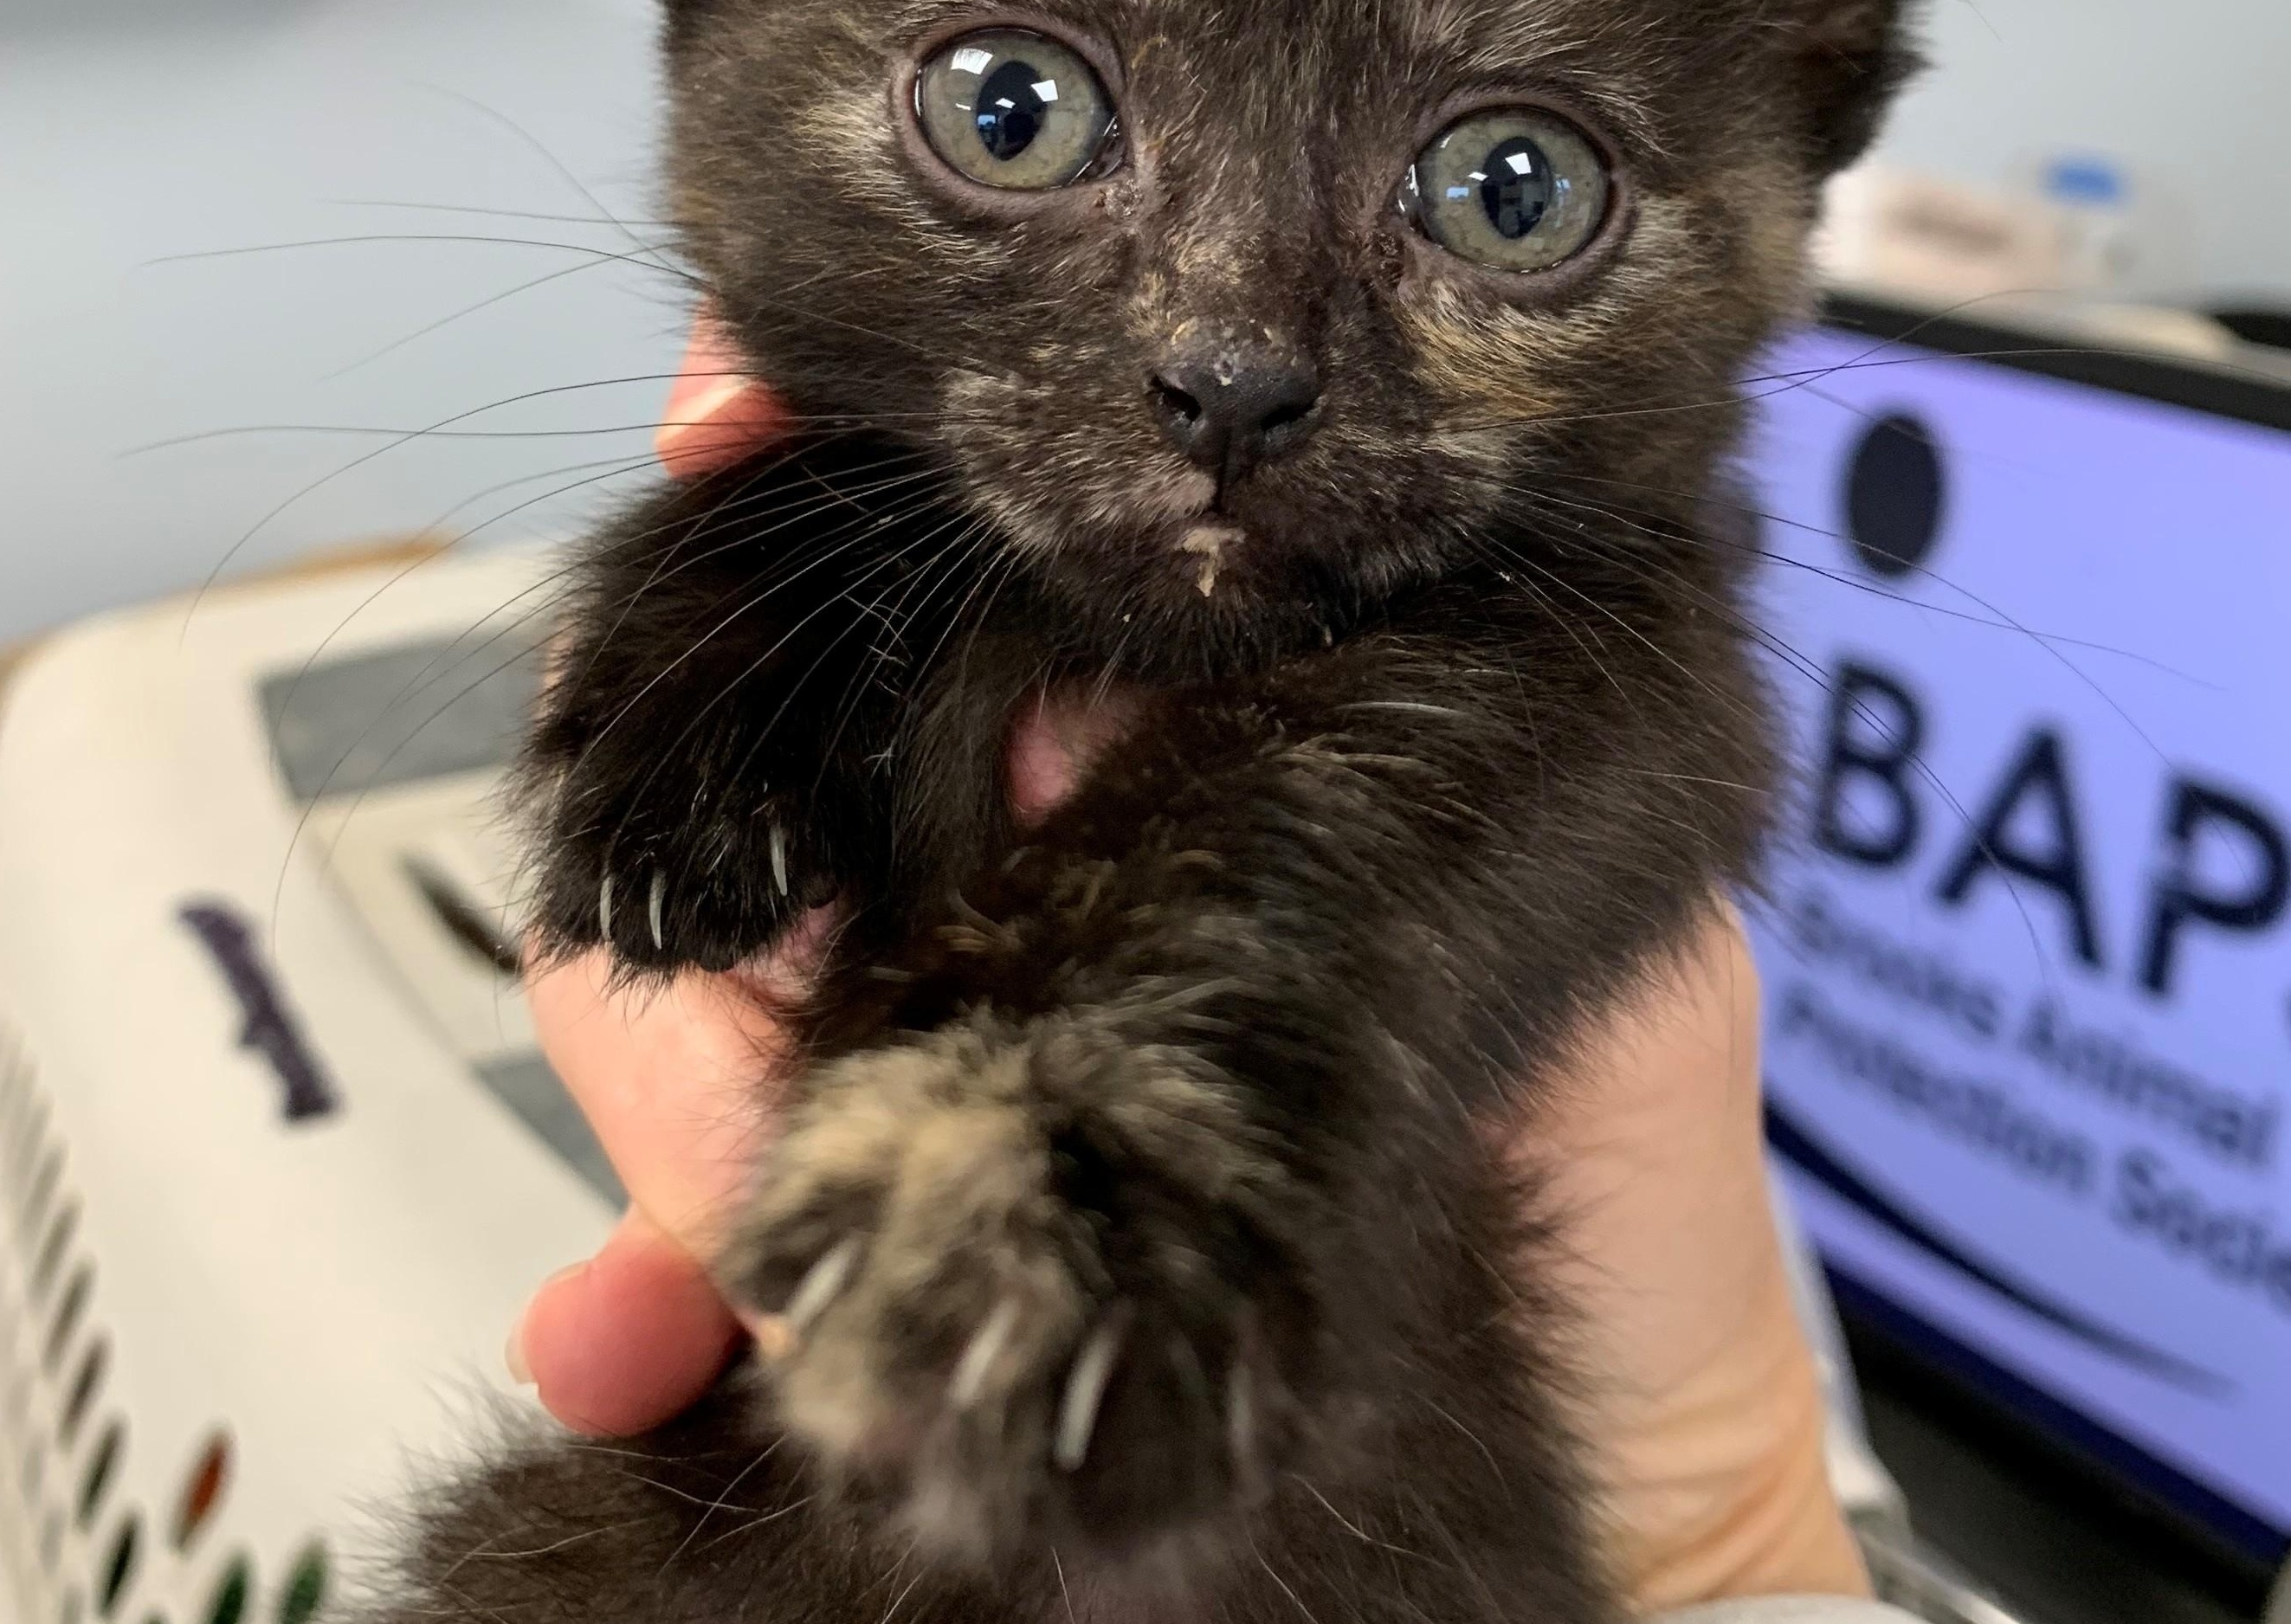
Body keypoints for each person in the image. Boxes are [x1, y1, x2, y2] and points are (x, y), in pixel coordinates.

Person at [507, 312, 1904, 1621]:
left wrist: (1732, 1506)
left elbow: (1629, 704)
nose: (1231, 344)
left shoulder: (1595, 632)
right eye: (1012, 115)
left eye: (1504, 187)